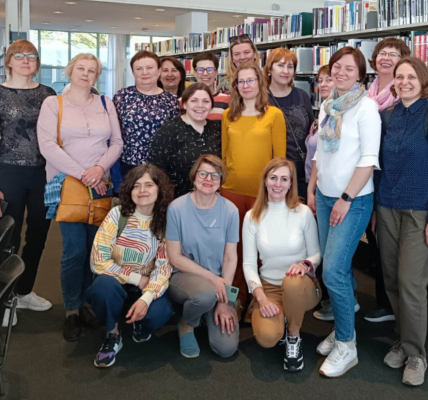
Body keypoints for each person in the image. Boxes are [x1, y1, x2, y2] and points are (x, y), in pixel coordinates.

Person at [375, 56, 428, 386]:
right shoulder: (386, 117)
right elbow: (378, 167)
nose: (404, 81)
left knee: (411, 283)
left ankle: (417, 354)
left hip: (420, 213)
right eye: (399, 76)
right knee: (392, 279)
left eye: (411, 76)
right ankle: (404, 341)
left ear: (423, 82)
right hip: (387, 209)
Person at [38, 53, 124, 341]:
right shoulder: (53, 104)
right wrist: (84, 174)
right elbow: (48, 146)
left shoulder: (105, 103)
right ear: (70, 71)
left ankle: (87, 302)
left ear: (97, 76)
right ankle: (71, 310)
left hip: (101, 184)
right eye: (81, 69)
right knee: (73, 250)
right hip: (69, 184)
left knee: (94, 251)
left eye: (92, 70)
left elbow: (117, 142)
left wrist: (99, 169)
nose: (86, 74)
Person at [307, 46, 381, 378]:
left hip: (352, 201)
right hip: (323, 196)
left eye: (349, 69)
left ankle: (347, 346)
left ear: (361, 75)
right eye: (337, 67)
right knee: (339, 268)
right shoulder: (328, 105)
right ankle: (341, 329)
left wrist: (346, 198)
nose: (341, 72)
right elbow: (322, 152)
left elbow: (368, 160)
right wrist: (312, 188)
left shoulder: (367, 109)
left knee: (333, 271)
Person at [0, 39, 56, 320]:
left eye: (32, 56)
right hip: (8, 172)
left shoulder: (48, 94)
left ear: (37, 63)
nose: (26, 60)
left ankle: (23, 293)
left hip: (42, 174)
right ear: (9, 61)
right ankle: (2, 300)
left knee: (38, 236)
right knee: (7, 238)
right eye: (20, 56)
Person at [87, 165, 175, 368]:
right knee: (103, 289)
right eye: (136, 186)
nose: (142, 190)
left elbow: (163, 269)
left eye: (149, 185)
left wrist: (146, 298)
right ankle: (112, 334)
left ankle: (139, 322)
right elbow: (98, 261)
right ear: (129, 190)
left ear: (160, 189)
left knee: (162, 311)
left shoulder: (165, 223)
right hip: (115, 283)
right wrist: (136, 278)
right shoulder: (117, 215)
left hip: (144, 288)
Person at [243, 158, 321, 371]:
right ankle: (282, 319)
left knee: (292, 281)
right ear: (265, 181)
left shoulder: (303, 212)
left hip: (301, 286)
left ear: (290, 184)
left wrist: (305, 265)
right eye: (273, 178)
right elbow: (249, 264)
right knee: (267, 338)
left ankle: (293, 337)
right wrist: (260, 297)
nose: (278, 184)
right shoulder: (252, 217)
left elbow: (316, 254)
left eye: (284, 179)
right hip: (269, 288)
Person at [221, 63, 286, 314]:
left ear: (260, 83)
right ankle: (237, 298)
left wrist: (277, 191)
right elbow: (224, 156)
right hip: (231, 191)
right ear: (235, 86)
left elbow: (279, 159)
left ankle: (259, 299)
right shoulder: (229, 115)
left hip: (263, 194)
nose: (246, 86)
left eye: (250, 81)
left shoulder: (273, 115)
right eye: (241, 81)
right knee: (234, 249)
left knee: (262, 248)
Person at [166, 154, 240, 359]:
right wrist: (213, 279)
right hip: (184, 276)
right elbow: (175, 257)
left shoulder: (230, 211)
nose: (209, 179)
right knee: (205, 295)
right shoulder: (176, 209)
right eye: (203, 173)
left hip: (218, 284)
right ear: (194, 176)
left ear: (220, 181)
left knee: (226, 349)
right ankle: (187, 324)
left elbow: (230, 258)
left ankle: (214, 309)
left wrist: (225, 301)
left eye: (215, 175)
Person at [363, 37, 411, 324]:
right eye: (382, 52)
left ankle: (394, 305)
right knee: (377, 240)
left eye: (394, 54)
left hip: (390, 176)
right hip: (367, 173)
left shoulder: (402, 95)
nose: (386, 57)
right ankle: (384, 300)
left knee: (391, 243)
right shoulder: (368, 93)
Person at [114, 50, 180, 177]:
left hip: (161, 165)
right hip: (128, 164)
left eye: (149, 67)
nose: (145, 72)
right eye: (139, 68)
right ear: (133, 73)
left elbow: (175, 135)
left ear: (159, 70)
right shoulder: (122, 96)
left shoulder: (171, 100)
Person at [149, 83, 221, 197]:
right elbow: (156, 171)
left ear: (211, 106)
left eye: (206, 101)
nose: (200, 105)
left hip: (210, 199)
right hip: (176, 201)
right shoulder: (169, 131)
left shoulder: (217, 129)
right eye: (194, 100)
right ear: (185, 104)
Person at [305, 66, 337, 323]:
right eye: (321, 80)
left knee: (331, 252)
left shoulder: (340, 111)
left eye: (330, 79)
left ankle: (336, 301)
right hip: (316, 187)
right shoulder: (324, 110)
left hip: (332, 191)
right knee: (319, 246)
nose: (324, 84)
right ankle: (325, 296)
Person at [265, 48, 314, 198]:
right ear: (269, 69)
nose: (285, 71)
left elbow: (311, 131)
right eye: (280, 65)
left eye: (290, 66)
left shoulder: (302, 95)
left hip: (300, 171)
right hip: (273, 173)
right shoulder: (261, 98)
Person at [192, 51, 229, 122]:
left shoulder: (227, 100)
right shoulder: (184, 101)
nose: (205, 73)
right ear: (195, 74)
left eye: (210, 69)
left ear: (216, 73)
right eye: (200, 69)